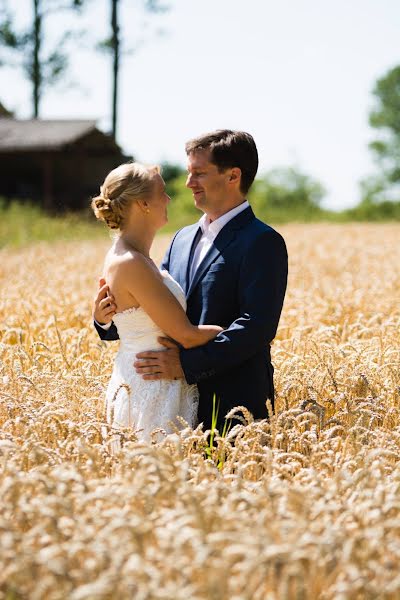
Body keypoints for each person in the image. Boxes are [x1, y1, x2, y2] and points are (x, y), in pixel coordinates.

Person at [94, 129, 288, 433]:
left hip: (232, 402)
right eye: (188, 172)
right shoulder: (181, 239)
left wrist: (187, 366)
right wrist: (105, 320)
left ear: (233, 176)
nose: (187, 183)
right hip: (165, 402)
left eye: (198, 172)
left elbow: (258, 326)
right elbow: (154, 312)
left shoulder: (263, 242)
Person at [91, 162, 222, 442]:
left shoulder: (135, 257)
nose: (169, 199)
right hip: (150, 390)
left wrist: (102, 320)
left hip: (153, 382)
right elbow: (186, 335)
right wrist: (235, 336)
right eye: (162, 192)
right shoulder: (130, 262)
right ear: (143, 204)